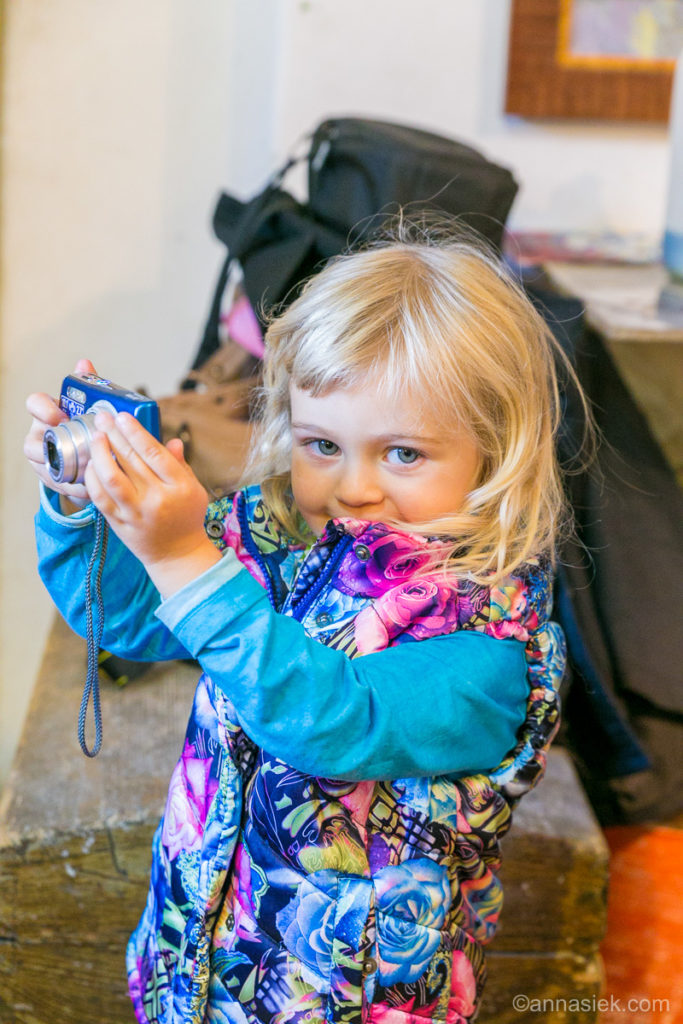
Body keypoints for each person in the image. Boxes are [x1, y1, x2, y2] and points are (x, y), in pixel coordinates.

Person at [25, 230, 576, 1024]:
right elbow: (129, 617)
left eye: (402, 454)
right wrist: (86, 505)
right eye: (322, 445)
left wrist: (186, 561)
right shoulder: (279, 532)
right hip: (199, 962)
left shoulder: (484, 643)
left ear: (494, 452)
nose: (353, 488)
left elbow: (330, 718)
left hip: (342, 1004)